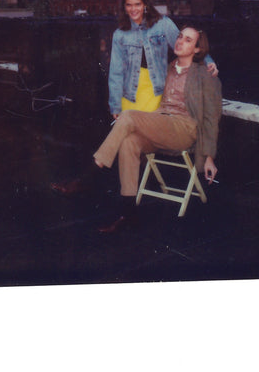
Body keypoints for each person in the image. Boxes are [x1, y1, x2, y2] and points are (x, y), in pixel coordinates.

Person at [72, 26, 222, 233]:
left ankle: (88, 175)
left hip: (184, 129)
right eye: (179, 37)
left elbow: (211, 119)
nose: (180, 41)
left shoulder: (206, 76)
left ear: (197, 49)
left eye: (188, 40)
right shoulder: (168, 68)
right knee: (128, 141)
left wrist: (209, 157)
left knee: (130, 116)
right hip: (161, 124)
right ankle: (128, 214)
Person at [108, 0, 217, 119]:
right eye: (129, 5)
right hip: (130, 94)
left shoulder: (163, 24)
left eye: (137, 4)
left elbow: (185, 45)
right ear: (124, 7)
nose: (133, 9)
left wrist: (208, 62)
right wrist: (115, 105)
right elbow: (115, 73)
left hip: (156, 91)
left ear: (145, 5)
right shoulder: (120, 34)